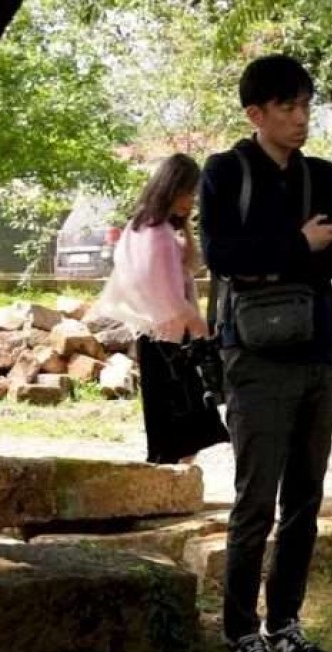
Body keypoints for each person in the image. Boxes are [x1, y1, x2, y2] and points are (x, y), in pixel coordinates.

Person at [199, 54, 332, 652]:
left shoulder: (325, 176)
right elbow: (220, 254)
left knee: (305, 501)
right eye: (287, 107)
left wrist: (269, 258)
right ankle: (241, 632)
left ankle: (285, 623)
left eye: (306, 105)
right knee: (255, 501)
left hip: (316, 351)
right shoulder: (225, 172)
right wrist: (296, 244)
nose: (300, 117)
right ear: (255, 114)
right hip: (255, 358)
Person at [92, 153, 228, 465]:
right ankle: (174, 486)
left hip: (151, 336)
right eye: (187, 192)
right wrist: (201, 329)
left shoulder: (139, 228)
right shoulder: (160, 236)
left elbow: (177, 274)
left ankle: (172, 482)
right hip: (171, 341)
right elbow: (171, 296)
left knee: (173, 427)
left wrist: (185, 232)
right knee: (184, 426)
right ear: (171, 188)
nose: (191, 201)